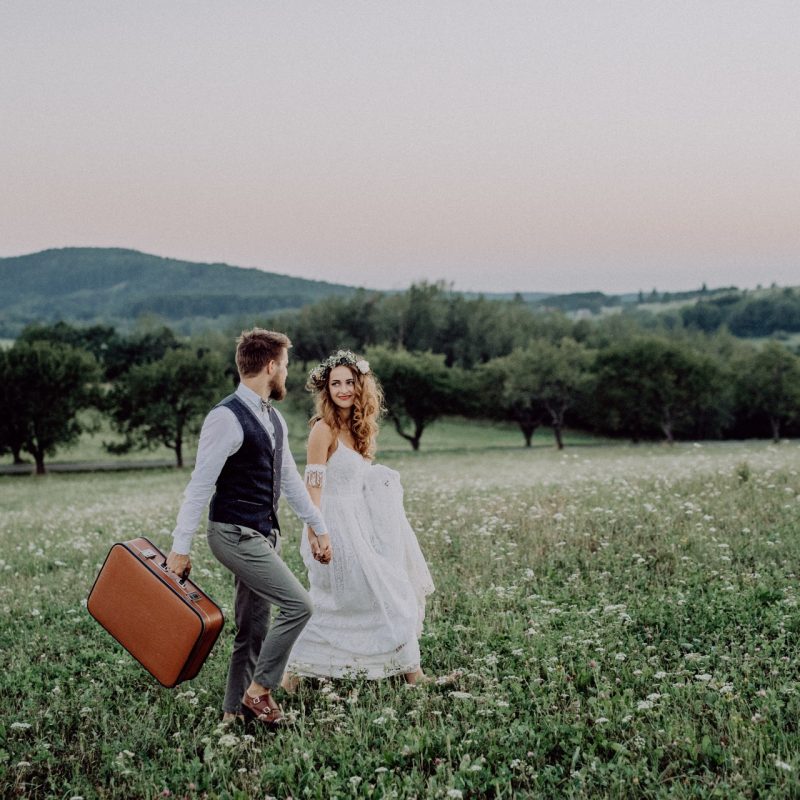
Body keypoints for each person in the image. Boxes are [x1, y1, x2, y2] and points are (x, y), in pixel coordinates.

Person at [166, 328, 332, 726]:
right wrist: (179, 546)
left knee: (254, 628)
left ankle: (230, 715)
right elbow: (200, 486)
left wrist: (319, 527)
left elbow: (289, 480)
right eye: (286, 367)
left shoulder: (273, 418)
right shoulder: (225, 417)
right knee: (298, 605)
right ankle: (259, 693)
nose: (287, 376)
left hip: (263, 534)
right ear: (271, 366)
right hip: (232, 533)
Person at [283, 350, 434, 687]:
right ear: (327, 390)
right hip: (332, 524)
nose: (343, 389)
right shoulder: (323, 430)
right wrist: (316, 532)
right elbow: (314, 486)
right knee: (336, 601)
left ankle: (412, 672)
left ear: (360, 385)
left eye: (349, 382)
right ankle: (290, 679)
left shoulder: (360, 428)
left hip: (361, 525)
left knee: (384, 592)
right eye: (335, 383)